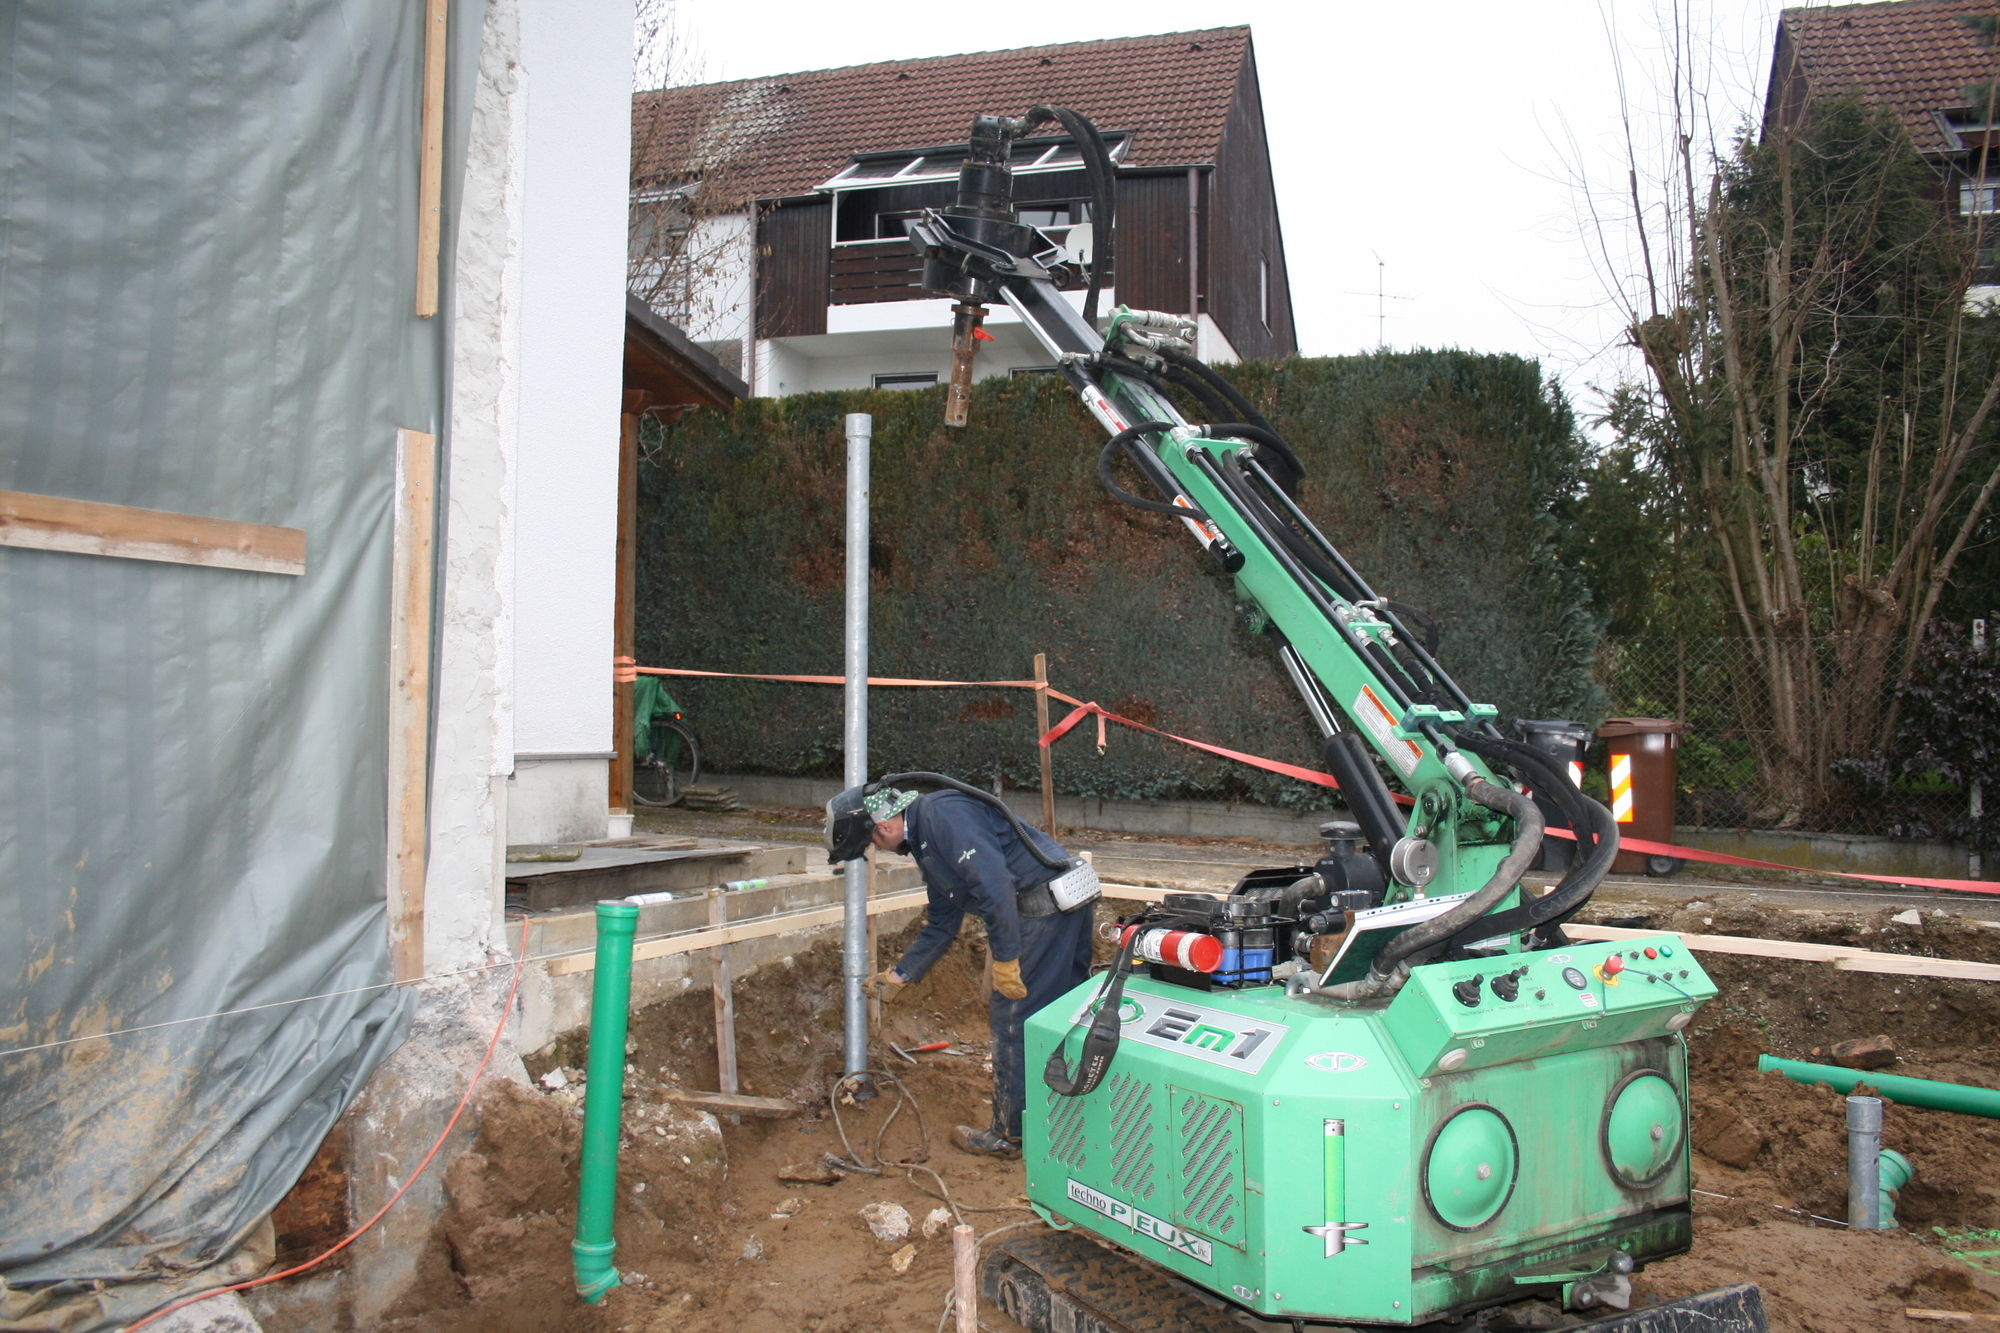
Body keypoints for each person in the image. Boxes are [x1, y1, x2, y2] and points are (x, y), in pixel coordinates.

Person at [827, 783, 1094, 1158]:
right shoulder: (927, 837)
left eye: (872, 843)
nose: (879, 850)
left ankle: (1009, 1133)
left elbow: (995, 886)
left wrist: (1006, 959)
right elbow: (942, 921)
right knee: (1064, 1012)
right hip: (1064, 901)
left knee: (1014, 1018)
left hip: (1045, 908)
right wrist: (901, 975)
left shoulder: (942, 816)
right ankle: (1069, 1114)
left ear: (884, 826)